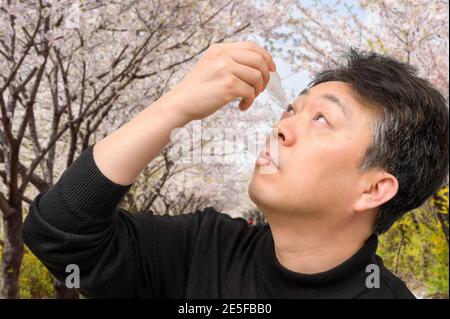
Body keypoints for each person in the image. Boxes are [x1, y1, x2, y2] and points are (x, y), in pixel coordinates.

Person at [22, 41, 449, 298]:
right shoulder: (203, 249)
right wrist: (174, 107)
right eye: (290, 109)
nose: (282, 128)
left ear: (374, 190)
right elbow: (59, 233)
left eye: (322, 119)